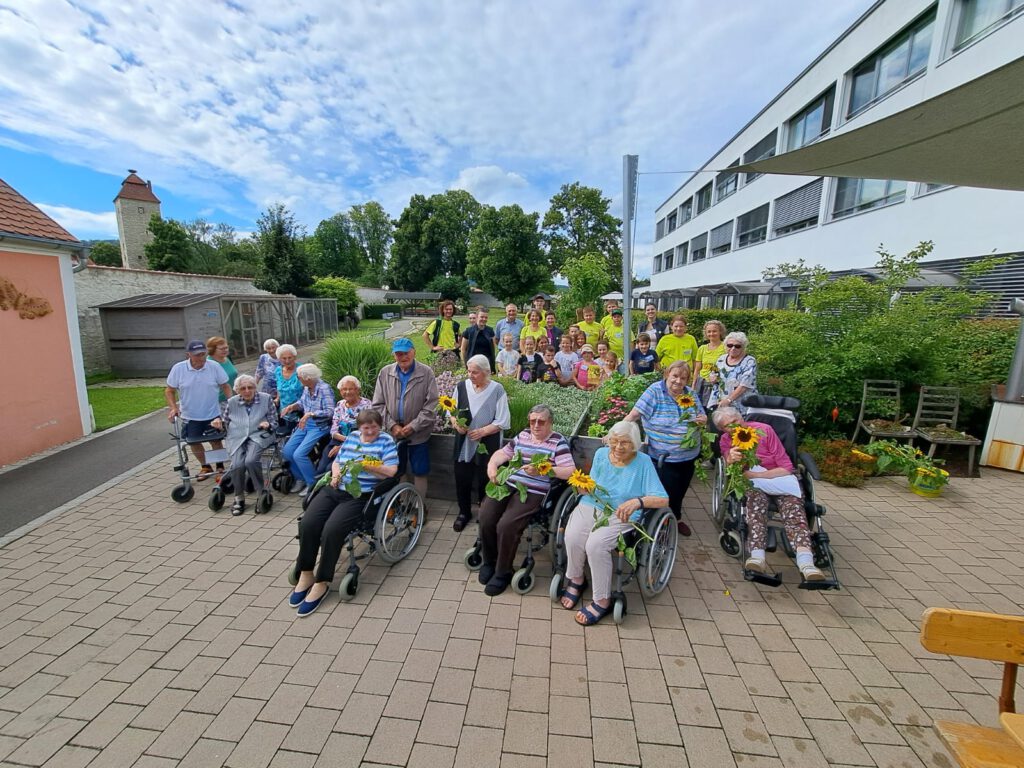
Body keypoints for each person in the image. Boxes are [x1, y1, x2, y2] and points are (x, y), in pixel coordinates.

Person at [290, 409, 400, 616]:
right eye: (365, 428)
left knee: (332, 531)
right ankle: (306, 572)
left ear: (380, 426)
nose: (369, 432)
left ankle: (322, 581)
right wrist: (336, 475)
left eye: (374, 427)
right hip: (335, 489)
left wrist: (370, 466)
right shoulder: (351, 438)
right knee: (308, 524)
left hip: (359, 495)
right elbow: (338, 461)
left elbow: (392, 471)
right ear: (359, 428)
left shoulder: (386, 441)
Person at [560, 421, 669, 625]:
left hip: (621, 513)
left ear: (635, 444)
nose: (619, 447)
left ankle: (602, 600)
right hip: (592, 504)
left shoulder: (643, 462)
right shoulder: (602, 454)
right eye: (615, 441)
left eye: (625, 443)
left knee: (596, 545)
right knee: (573, 536)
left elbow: (663, 499)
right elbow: (593, 483)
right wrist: (584, 488)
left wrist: (638, 502)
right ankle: (577, 579)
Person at [712, 406, 825, 581]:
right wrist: (730, 459)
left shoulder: (764, 430)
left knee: (794, 511)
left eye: (735, 421)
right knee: (754, 506)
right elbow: (730, 469)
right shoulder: (726, 440)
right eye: (728, 426)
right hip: (754, 484)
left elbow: (786, 466)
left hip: (779, 477)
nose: (734, 427)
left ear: (741, 418)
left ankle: (806, 564)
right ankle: (757, 557)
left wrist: (759, 474)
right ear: (722, 430)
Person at [479, 405, 575, 596]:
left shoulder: (558, 443)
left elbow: (570, 471)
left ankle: (503, 572)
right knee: (486, 516)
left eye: (541, 421)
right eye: (533, 421)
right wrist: (492, 465)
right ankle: (489, 561)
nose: (536, 425)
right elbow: (504, 453)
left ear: (550, 423)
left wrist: (545, 469)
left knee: (506, 525)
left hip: (534, 490)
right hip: (510, 483)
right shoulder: (522, 436)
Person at [625, 361, 706, 536]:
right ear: (667, 375)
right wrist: (617, 431)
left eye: (683, 378)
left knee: (680, 490)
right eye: (675, 376)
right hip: (662, 457)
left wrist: (702, 420)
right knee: (663, 492)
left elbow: (702, 415)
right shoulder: (655, 392)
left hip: (688, 455)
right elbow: (634, 414)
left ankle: (675, 517)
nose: (678, 381)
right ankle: (659, 522)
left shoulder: (690, 394)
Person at [372, 338, 439, 500]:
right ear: (394, 355)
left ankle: (419, 506)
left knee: (420, 470)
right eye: (399, 354)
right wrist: (392, 426)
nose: (403, 357)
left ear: (414, 351)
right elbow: (378, 404)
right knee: (397, 469)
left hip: (418, 434)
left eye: (406, 352)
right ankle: (403, 503)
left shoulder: (426, 372)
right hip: (394, 434)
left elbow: (432, 405)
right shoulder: (385, 372)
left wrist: (413, 426)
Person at [450, 355, 510, 532]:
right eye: (469, 371)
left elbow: (503, 420)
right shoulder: (461, 387)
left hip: (488, 442)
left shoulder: (497, 390)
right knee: (462, 477)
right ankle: (464, 513)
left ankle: (485, 514)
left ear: (486, 372)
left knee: (485, 478)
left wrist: (483, 431)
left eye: (474, 372)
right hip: (463, 442)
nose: (470, 375)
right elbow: (451, 411)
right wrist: (455, 424)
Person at [165, 340, 231, 480]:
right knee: (194, 442)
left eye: (203, 354)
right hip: (190, 415)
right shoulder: (179, 368)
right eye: (197, 355)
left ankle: (220, 467)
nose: (201, 358)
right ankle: (205, 466)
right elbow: (169, 390)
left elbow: (225, 386)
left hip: (213, 413)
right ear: (188, 354)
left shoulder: (214, 366)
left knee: (216, 440)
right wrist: (173, 408)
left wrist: (232, 403)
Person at [212, 374, 277, 515]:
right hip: (236, 437)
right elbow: (225, 424)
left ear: (255, 388)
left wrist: (268, 424)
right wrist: (219, 424)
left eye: (250, 387)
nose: (247, 391)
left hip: (259, 435)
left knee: (251, 460)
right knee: (237, 465)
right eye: (243, 388)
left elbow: (274, 421)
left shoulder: (266, 399)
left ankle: (261, 493)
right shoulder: (231, 402)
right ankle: (239, 497)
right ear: (237, 390)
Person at [281, 363, 335, 495]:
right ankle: (301, 479)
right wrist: (292, 406)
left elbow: (330, 411)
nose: (298, 379)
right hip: (305, 424)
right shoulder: (307, 388)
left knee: (299, 454)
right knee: (287, 452)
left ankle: (312, 484)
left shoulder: (324, 388)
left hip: (319, 425)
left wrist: (311, 414)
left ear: (308, 378)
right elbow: (302, 402)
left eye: (299, 377)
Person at [317, 376, 373, 475]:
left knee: (330, 470)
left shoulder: (367, 405)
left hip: (356, 444)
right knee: (320, 469)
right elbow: (334, 429)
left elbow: (367, 433)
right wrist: (340, 439)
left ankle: (334, 488)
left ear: (357, 390)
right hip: (337, 440)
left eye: (350, 389)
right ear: (340, 391)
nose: (347, 392)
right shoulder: (340, 404)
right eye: (344, 389)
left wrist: (344, 445)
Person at [707, 331, 758, 414]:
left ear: (743, 347)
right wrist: (712, 378)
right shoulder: (721, 359)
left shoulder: (750, 361)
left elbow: (744, 385)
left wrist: (729, 400)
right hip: (720, 401)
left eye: (737, 346)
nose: (733, 348)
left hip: (742, 404)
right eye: (730, 345)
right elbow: (713, 374)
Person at [693, 320, 727, 394]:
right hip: (702, 383)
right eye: (709, 331)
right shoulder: (702, 348)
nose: (711, 334)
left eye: (714, 331)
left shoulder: (726, 348)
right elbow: (697, 370)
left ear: (720, 332)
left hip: (718, 384)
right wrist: (693, 387)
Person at [423, 300, 461, 365]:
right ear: (443, 310)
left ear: (453, 310)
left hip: (453, 353)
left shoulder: (456, 324)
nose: (449, 311)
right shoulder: (437, 323)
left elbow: (461, 335)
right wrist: (433, 347)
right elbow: (425, 335)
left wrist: (459, 344)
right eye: (446, 309)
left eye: (450, 309)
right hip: (440, 353)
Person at [460, 307, 496, 372]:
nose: (484, 319)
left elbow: (493, 348)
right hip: (472, 363)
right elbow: (463, 349)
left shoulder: (490, 331)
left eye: (486, 317)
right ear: (477, 317)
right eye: (482, 317)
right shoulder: (468, 331)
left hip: (486, 363)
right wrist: (465, 364)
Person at [207, 336, 237, 403]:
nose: (225, 350)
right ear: (212, 349)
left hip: (232, 397)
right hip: (217, 401)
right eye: (222, 349)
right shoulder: (208, 364)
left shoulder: (227, 358)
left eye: (226, 348)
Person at [274, 344, 302, 414]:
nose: (287, 361)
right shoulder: (278, 371)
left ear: (295, 357)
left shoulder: (301, 370)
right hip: (284, 411)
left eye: (290, 358)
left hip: (301, 411)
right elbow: (279, 387)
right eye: (284, 358)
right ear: (279, 359)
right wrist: (277, 399)